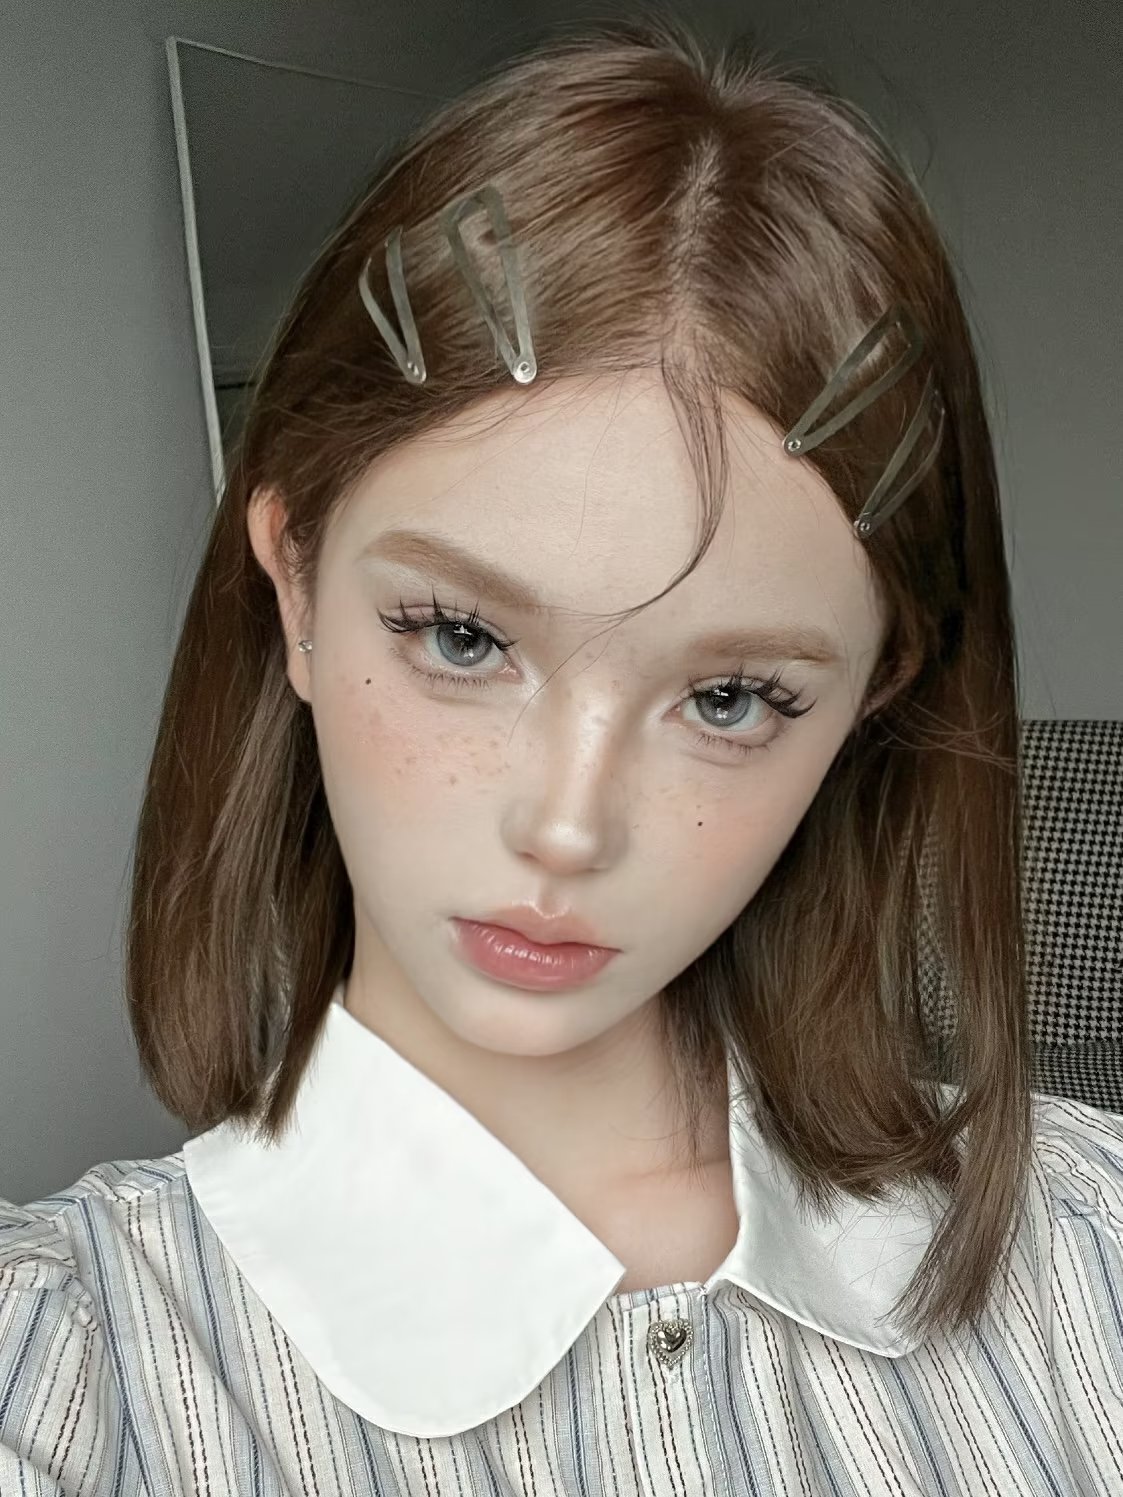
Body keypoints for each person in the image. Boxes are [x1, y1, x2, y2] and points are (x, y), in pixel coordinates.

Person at [2, 15, 1120, 1495]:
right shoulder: (65, 1369)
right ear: (294, 587)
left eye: (731, 698)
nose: (569, 826)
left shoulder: (1091, 1251)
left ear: (869, 701)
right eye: (463, 637)